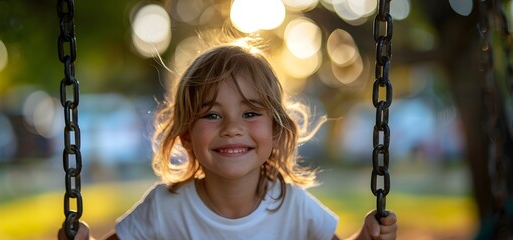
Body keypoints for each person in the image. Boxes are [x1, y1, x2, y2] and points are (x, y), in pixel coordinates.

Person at [58, 39, 398, 240]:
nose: (232, 127)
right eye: (211, 114)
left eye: (250, 113)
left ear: (276, 131)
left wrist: (367, 237)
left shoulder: (292, 204)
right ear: (187, 136)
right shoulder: (165, 207)